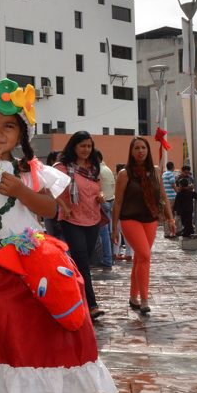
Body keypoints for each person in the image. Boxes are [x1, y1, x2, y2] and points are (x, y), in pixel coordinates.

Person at [0, 79, 117, 393]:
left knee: (48, 319)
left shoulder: (29, 169)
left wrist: (20, 190)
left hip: (31, 258)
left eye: (9, 126)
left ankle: (51, 382)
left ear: (21, 135)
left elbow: (50, 208)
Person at [112, 137, 175, 314]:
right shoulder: (125, 174)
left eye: (143, 147)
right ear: (131, 152)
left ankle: (133, 296)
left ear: (148, 150)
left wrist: (170, 219)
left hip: (150, 219)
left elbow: (163, 197)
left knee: (140, 258)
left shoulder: (156, 171)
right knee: (145, 256)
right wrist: (113, 228)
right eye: (137, 148)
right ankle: (144, 300)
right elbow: (117, 203)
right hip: (129, 219)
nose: (141, 151)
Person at [54, 131, 106, 320]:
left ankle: (71, 295)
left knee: (82, 262)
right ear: (74, 146)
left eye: (89, 146)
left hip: (92, 219)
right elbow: (50, 188)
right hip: (71, 219)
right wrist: (63, 204)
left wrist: (100, 197)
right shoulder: (62, 167)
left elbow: (97, 190)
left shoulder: (93, 168)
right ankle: (91, 305)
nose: (86, 149)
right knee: (82, 261)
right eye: (82, 145)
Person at [96, 150, 115, 268]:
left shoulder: (98, 171)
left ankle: (107, 258)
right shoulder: (107, 169)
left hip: (103, 202)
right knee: (107, 233)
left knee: (103, 233)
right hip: (110, 200)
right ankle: (109, 257)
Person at [112, 163, 134, 261]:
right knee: (127, 234)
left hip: (121, 211)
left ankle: (115, 253)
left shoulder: (119, 182)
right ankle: (128, 253)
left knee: (118, 232)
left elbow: (117, 200)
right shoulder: (131, 181)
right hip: (129, 210)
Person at [162, 162, 178, 238]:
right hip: (171, 197)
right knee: (172, 215)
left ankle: (166, 232)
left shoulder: (164, 174)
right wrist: (177, 192)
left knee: (166, 215)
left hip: (165, 197)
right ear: (173, 167)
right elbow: (173, 184)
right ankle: (173, 232)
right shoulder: (171, 174)